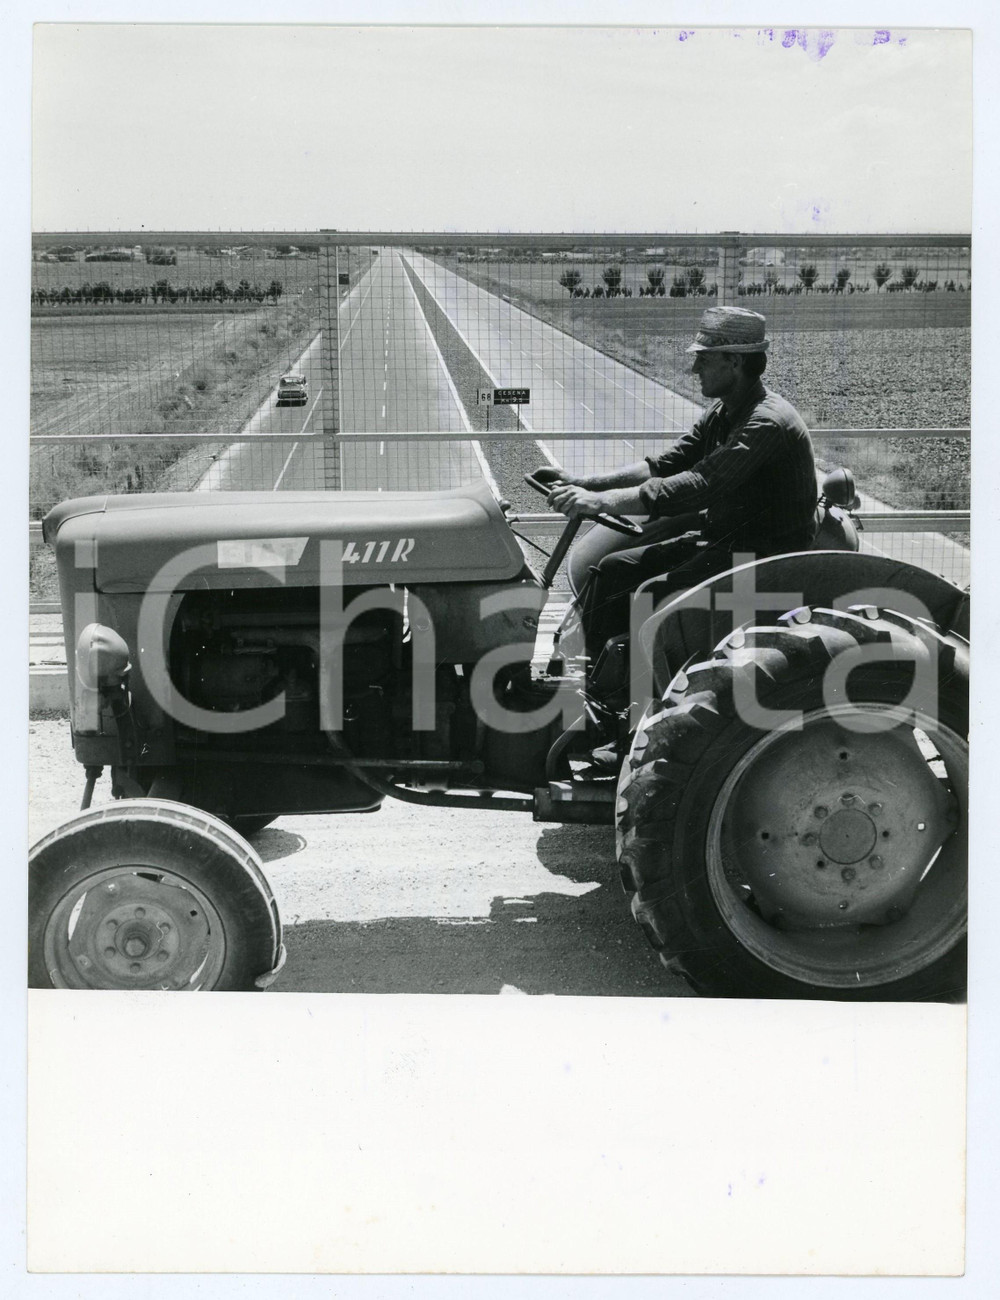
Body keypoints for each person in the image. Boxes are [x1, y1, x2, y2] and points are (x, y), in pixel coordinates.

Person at [536, 305, 818, 663]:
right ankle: (588, 669)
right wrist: (583, 483)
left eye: (704, 358)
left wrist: (600, 502)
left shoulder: (766, 424)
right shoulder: (724, 412)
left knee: (651, 595)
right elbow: (665, 465)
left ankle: (628, 693)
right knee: (612, 570)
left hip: (764, 558)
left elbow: (699, 484)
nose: (694, 367)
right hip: (725, 543)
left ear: (735, 361)